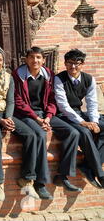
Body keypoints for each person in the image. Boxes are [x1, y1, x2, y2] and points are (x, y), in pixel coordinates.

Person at [13, 46, 82, 200]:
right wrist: (38, 119)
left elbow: (52, 99)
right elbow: (18, 102)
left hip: (45, 115)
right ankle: (40, 182)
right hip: (26, 115)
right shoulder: (18, 75)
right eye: (32, 57)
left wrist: (49, 117)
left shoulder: (49, 75)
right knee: (40, 135)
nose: (35, 60)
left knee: (73, 132)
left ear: (43, 60)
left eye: (38, 57)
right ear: (26, 59)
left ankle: (62, 175)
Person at [0, 45, 39, 201]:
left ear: (3, 61)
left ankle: (27, 179)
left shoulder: (8, 77)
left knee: (31, 135)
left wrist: (9, 118)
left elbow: (10, 100)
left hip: (5, 113)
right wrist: (0, 120)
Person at [54, 49, 104, 189]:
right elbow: (63, 106)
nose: (73, 67)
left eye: (77, 63)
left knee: (101, 126)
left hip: (80, 113)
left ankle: (89, 166)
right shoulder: (59, 79)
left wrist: (93, 122)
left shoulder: (89, 79)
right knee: (84, 132)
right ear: (65, 64)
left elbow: (92, 102)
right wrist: (83, 122)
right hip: (64, 115)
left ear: (82, 64)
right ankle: (99, 174)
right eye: (70, 63)